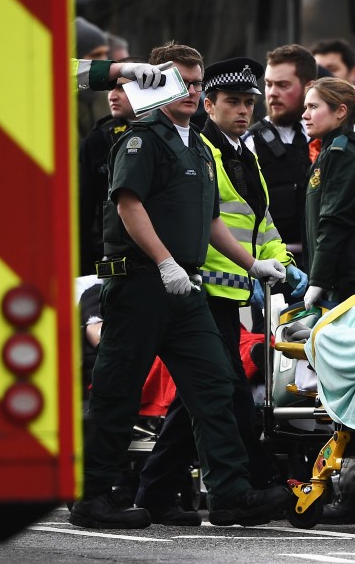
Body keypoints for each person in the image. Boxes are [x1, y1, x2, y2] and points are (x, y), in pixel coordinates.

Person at [70, 42, 290, 530]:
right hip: (141, 283)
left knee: (214, 386)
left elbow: (213, 222)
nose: (191, 91)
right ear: (156, 84)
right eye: (180, 82)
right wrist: (166, 261)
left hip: (183, 288)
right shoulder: (142, 138)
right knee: (118, 390)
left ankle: (232, 493)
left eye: (196, 82)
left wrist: (254, 265)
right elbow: (129, 205)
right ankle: (93, 495)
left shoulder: (199, 148)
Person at [133, 57, 308, 526]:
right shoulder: (202, 149)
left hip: (231, 294)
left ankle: (154, 491)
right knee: (223, 392)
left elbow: (262, 222)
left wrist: (283, 267)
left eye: (249, 103)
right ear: (208, 104)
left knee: (200, 396)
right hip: (199, 288)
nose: (244, 110)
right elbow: (208, 223)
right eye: (233, 101)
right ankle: (245, 488)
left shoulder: (244, 154)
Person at [298, 77, 355, 311]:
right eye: (306, 107)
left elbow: (335, 220)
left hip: (351, 283)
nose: (305, 115)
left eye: (313, 107)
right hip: (342, 279)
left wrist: (318, 281)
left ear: (340, 112)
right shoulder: (331, 151)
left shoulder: (342, 154)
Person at [244, 45, 319, 260]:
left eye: (283, 85)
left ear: (309, 87)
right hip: (273, 261)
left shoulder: (326, 139)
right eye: (268, 84)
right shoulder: (250, 143)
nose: (272, 93)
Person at [78, 65, 144, 274]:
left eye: (122, 89)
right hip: (109, 261)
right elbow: (83, 211)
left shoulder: (174, 135)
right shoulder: (98, 141)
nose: (113, 96)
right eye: (110, 89)